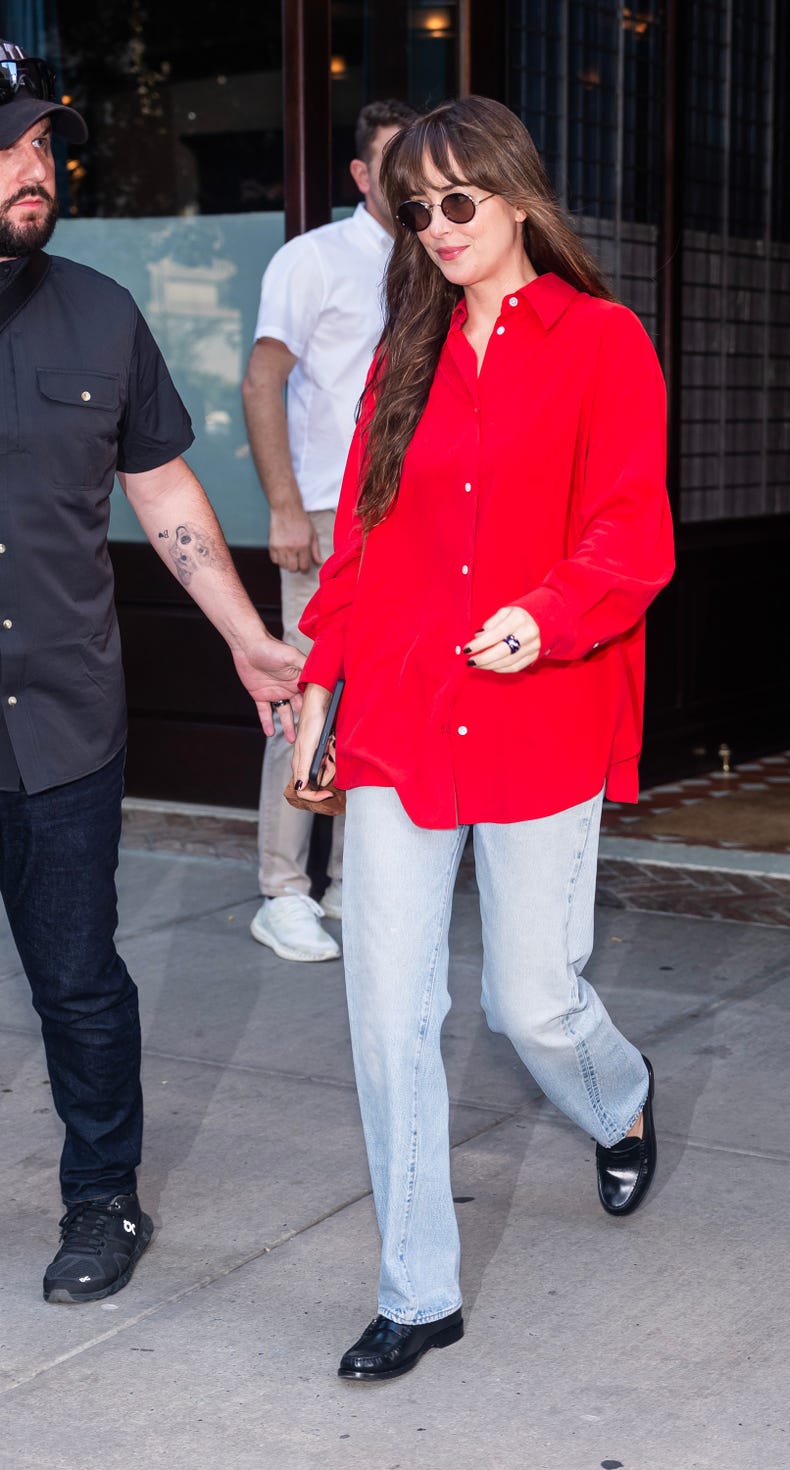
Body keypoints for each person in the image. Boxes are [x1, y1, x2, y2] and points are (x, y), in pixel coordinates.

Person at [291, 96, 674, 1381]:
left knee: (531, 1003)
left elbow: (632, 529)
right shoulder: (403, 356)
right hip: (401, 719)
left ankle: (614, 1101)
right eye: (417, 209)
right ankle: (416, 1291)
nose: (438, 227)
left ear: (515, 197)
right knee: (386, 1009)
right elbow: (354, 547)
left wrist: (546, 613)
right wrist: (317, 695)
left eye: (459, 201)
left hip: (536, 718)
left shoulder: (602, 340)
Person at [0, 41, 303, 1303]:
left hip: (61, 723)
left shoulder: (98, 312)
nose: (35, 170)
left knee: (77, 982)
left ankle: (102, 1203)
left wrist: (242, 630)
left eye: (40, 149)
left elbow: (164, 484)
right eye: (9, 147)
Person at [243, 100, 416, 964]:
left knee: (380, 703)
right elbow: (262, 379)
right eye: (392, 163)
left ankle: (353, 885)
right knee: (307, 695)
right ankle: (283, 891)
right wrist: (281, 504)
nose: (409, 179)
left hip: (405, 517)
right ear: (360, 174)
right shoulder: (314, 259)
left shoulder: (437, 262)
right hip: (319, 511)